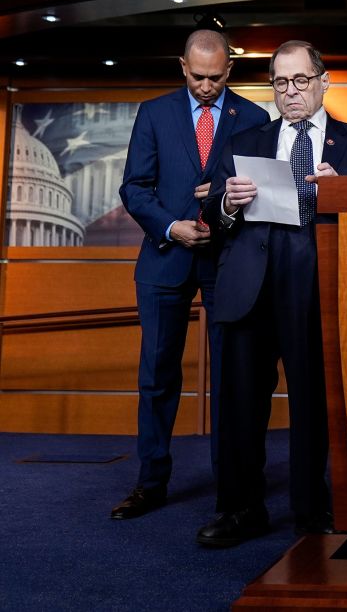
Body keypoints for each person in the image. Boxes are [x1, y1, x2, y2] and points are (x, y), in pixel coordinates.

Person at [195, 40, 347, 547]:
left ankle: (311, 509)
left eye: (301, 80)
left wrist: (344, 193)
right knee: (239, 404)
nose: (291, 92)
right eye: (281, 83)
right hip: (250, 285)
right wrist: (229, 204)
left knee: (313, 405)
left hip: (319, 283)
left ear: (324, 82)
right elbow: (213, 217)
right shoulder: (246, 138)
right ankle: (240, 509)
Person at [113, 29, 269, 520]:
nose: (206, 86)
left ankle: (232, 487)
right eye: (198, 76)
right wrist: (170, 226)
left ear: (230, 70)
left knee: (232, 378)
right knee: (157, 375)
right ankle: (151, 482)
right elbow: (134, 188)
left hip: (228, 260)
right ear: (183, 67)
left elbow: (262, 196)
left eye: (216, 77)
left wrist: (222, 203)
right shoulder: (154, 113)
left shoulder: (256, 118)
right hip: (165, 257)